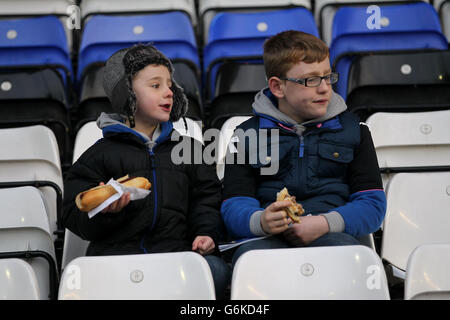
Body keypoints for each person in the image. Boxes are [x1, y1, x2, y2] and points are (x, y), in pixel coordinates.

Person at [63, 44, 230, 298]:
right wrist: (107, 213)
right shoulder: (100, 153)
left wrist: (206, 233)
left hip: (177, 256)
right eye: (156, 86)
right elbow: (74, 212)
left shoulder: (190, 150)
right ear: (127, 93)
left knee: (215, 270)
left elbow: (206, 199)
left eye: (170, 85)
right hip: (116, 260)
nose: (169, 92)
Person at [221, 30, 386, 267]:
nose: (324, 88)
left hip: (335, 235)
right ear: (278, 87)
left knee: (348, 259)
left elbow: (372, 205)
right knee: (252, 264)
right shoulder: (245, 135)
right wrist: (261, 221)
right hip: (266, 239)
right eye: (310, 80)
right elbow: (233, 205)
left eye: (328, 77)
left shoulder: (355, 130)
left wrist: (325, 223)